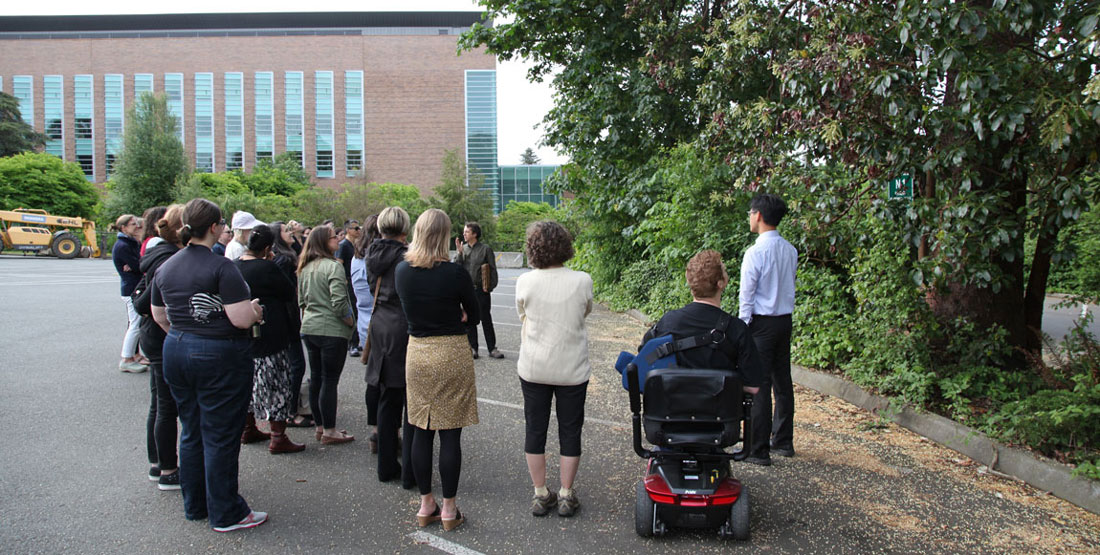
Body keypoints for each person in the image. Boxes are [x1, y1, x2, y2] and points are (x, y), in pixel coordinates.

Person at [150, 198, 268, 532]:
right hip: (219, 354)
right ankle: (227, 512)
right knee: (220, 435)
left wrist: (188, 333)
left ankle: (197, 505)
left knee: (191, 429)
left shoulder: (168, 265)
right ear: (214, 227)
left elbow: (160, 315)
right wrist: (255, 310)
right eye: (223, 226)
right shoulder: (221, 267)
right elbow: (242, 319)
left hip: (177, 349)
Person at [396, 208, 480, 531]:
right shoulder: (455, 273)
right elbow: (473, 315)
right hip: (450, 352)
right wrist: (458, 314)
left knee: (420, 428)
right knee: (450, 433)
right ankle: (449, 509)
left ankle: (425, 503)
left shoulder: (402, 271)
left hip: (417, 351)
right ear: (444, 235)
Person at [514, 221, 593, 517]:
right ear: (565, 247)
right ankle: (566, 493)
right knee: (570, 430)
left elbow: (522, 314)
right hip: (572, 368)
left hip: (535, 366)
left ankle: (540, 493)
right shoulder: (582, 280)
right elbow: (584, 312)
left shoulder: (525, 281)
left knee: (535, 428)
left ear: (533, 248)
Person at [738, 193, 798, 466]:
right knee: (782, 381)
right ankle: (783, 441)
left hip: (760, 323)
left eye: (751, 213)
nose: (749, 217)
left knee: (758, 384)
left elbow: (746, 296)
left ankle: (758, 448)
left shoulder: (755, 253)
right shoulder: (790, 250)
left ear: (759, 215)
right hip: (784, 320)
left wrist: (743, 327)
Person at [235, 225, 305, 454]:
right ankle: (278, 436)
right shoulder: (267, 268)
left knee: (247, 382)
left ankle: (247, 428)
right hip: (271, 331)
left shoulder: (235, 266)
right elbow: (287, 291)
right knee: (277, 383)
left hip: (243, 333)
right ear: (267, 248)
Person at [365, 207, 414, 486]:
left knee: (386, 399)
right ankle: (410, 468)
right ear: (405, 229)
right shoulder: (407, 257)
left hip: (380, 325)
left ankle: (386, 466)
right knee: (411, 400)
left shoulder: (370, 254)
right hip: (403, 326)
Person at [139, 204, 184, 491]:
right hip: (159, 336)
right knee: (166, 406)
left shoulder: (157, 253)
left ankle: (157, 463)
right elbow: (145, 304)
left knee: (159, 404)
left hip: (152, 336)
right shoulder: (168, 259)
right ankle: (168, 469)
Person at [297, 225, 356, 445]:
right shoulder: (333, 267)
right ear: (324, 241)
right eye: (333, 237)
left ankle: (321, 426)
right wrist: (350, 321)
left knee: (317, 378)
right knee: (330, 381)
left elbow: (302, 302)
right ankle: (330, 430)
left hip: (309, 328)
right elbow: (340, 302)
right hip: (332, 330)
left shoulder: (305, 267)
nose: (338, 240)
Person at [271, 221, 312, 428]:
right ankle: (290, 410)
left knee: (294, 365)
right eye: (285, 231)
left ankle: (290, 406)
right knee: (296, 365)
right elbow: (283, 290)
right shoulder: (283, 260)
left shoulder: (287, 253)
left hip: (290, 315)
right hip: (288, 318)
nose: (290, 233)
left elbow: (299, 248)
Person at [351, 214, 382, 452]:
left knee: (372, 381)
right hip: (381, 325)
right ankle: (386, 432)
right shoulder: (378, 259)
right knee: (388, 383)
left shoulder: (356, 256)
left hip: (364, 327)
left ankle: (375, 430)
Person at [454, 221, 503, 359]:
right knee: (469, 321)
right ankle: (473, 348)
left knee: (485, 318)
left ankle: (492, 348)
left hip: (482, 290)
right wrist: (459, 253)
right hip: (467, 290)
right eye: (464, 232)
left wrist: (489, 287)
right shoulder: (463, 249)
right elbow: (456, 267)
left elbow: (492, 269)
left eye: (467, 232)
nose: (464, 234)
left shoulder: (485, 249)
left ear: (475, 234)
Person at [112, 213, 147, 373]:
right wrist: (136, 265)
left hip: (133, 286)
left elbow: (137, 264)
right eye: (133, 224)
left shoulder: (129, 243)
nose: (137, 226)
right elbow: (140, 264)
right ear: (124, 227)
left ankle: (135, 355)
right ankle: (126, 358)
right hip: (131, 288)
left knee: (136, 322)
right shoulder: (123, 246)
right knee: (135, 324)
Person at [336, 219, 362, 357]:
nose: (358, 231)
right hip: (348, 282)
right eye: (356, 228)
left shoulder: (355, 244)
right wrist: (343, 281)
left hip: (355, 282)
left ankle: (356, 341)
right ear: (348, 230)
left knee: (357, 310)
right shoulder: (343, 245)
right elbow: (339, 264)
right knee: (352, 311)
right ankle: (352, 343)